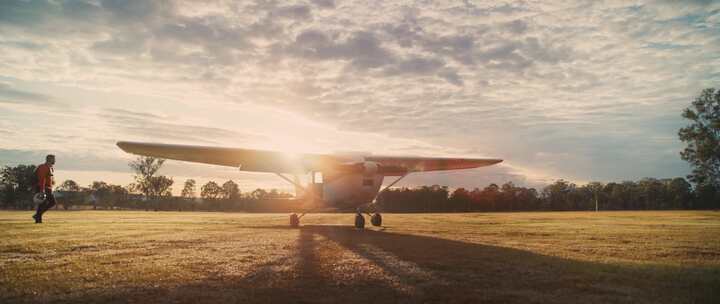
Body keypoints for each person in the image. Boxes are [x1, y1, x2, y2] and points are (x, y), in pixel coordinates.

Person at [33, 154, 56, 224]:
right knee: (52, 202)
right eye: (54, 159)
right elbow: (42, 179)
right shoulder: (43, 167)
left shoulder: (50, 168)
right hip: (43, 188)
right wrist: (42, 190)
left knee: (42, 204)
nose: (55, 161)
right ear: (50, 159)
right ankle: (37, 216)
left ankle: (38, 219)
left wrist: (52, 183)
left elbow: (49, 178)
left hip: (47, 188)